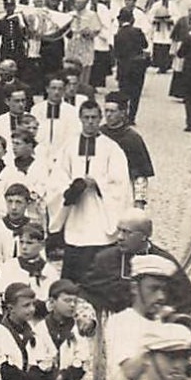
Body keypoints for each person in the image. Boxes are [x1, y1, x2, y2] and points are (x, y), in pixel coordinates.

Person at [47, 100, 132, 282]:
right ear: (80, 118)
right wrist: (72, 188)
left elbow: (120, 183)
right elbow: (57, 178)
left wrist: (98, 183)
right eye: (86, 117)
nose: (91, 122)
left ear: (100, 118)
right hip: (76, 216)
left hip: (100, 218)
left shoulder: (111, 148)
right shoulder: (69, 147)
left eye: (94, 117)